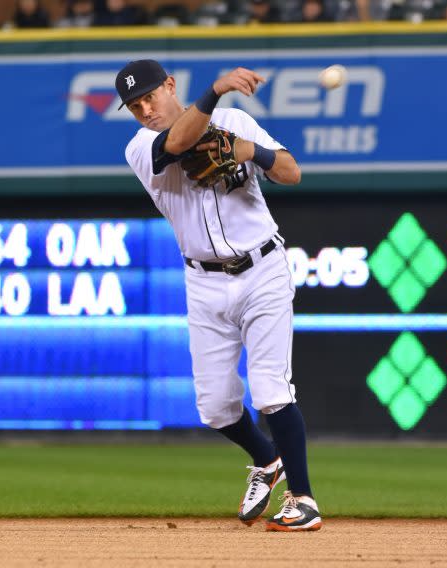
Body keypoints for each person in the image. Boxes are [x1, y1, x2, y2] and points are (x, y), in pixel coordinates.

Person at [115, 59, 322, 532]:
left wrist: (251, 151)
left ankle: (303, 499)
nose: (145, 109)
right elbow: (180, 143)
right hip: (204, 281)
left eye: (150, 96)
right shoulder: (140, 146)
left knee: (270, 388)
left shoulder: (236, 123)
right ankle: (268, 461)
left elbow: (291, 172)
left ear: (170, 86)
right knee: (215, 407)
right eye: (134, 105)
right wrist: (214, 91)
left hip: (263, 268)